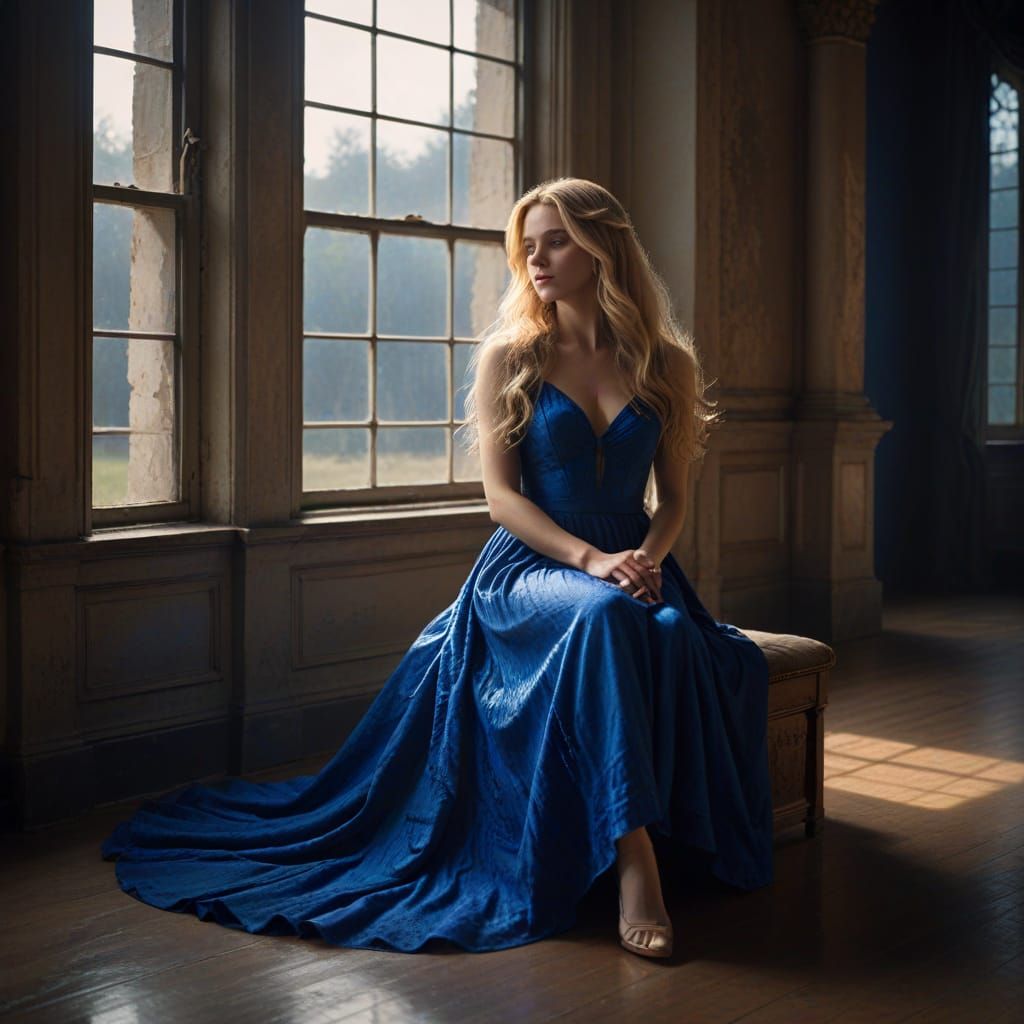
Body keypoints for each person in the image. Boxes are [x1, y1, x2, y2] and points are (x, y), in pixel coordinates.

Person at [102, 177, 774, 960]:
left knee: (671, 631)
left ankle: (656, 830)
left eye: (554, 240)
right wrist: (593, 561)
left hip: (635, 563)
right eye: (528, 246)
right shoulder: (512, 357)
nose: (537, 258)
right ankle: (633, 859)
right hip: (531, 570)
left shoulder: (666, 365)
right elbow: (500, 499)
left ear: (601, 247)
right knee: (603, 617)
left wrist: (646, 561)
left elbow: (675, 501)